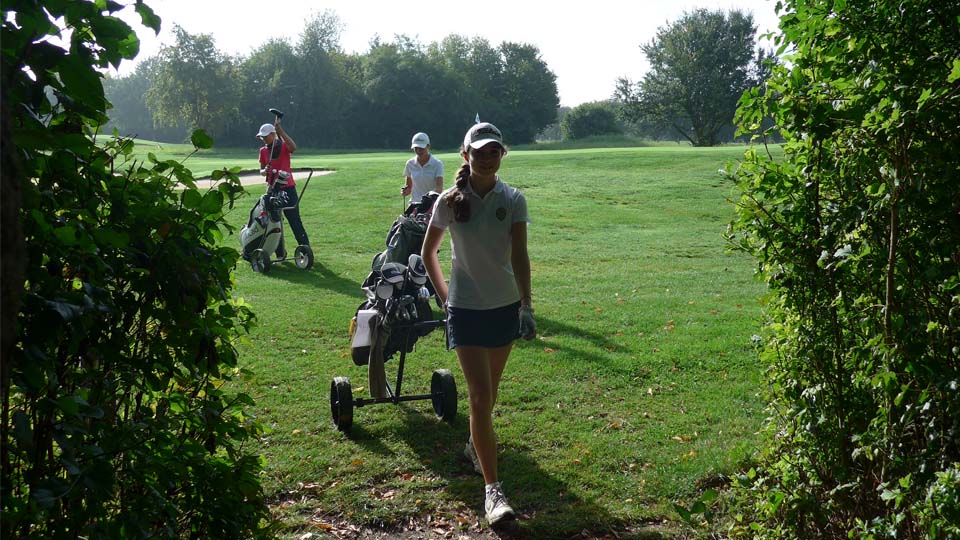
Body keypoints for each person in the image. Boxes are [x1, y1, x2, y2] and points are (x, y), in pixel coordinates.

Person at [421, 122, 536, 527]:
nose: (486, 158)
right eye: (479, 151)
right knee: (478, 396)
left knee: (490, 396)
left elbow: (520, 256)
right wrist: (445, 297)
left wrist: (527, 304)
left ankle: (475, 445)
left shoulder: (514, 199)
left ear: (502, 154)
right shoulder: (450, 202)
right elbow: (428, 252)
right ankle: (493, 492)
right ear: (465, 155)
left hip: (504, 307)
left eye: (494, 151)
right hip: (466, 310)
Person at [257, 119, 309, 256]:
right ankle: (279, 253)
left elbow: (293, 147)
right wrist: (264, 172)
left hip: (287, 188)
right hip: (272, 190)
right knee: (274, 223)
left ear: (272, 134)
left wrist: (281, 131)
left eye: (265, 135)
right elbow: (261, 170)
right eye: (261, 136)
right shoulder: (263, 151)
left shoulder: (283, 146)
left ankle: (305, 250)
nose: (263, 138)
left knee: (294, 220)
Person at [402, 132, 444, 204]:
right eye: (416, 148)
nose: (418, 151)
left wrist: (427, 200)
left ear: (428, 146)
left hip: (431, 205)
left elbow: (439, 188)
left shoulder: (437, 164)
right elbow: (409, 187)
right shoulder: (410, 163)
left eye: (421, 148)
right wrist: (405, 191)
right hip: (414, 204)